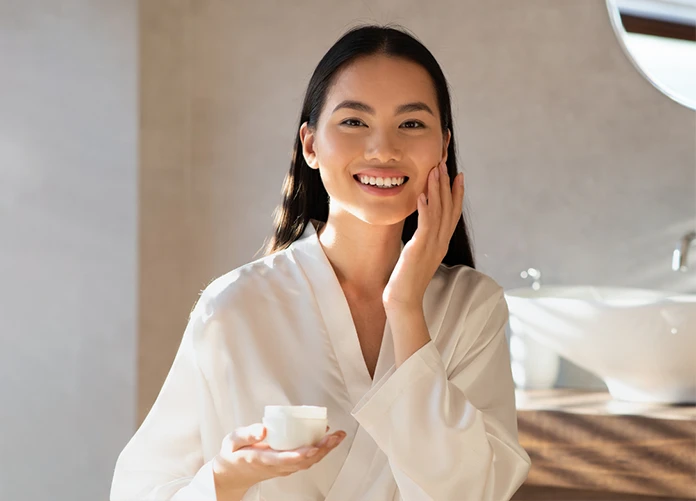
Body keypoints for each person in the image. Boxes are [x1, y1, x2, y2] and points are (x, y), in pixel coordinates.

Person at [110, 24, 531, 501]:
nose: (384, 149)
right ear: (310, 145)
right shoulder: (234, 308)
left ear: (443, 147)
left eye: (411, 124)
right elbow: (141, 492)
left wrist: (406, 305)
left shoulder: (472, 307)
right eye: (354, 122)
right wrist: (225, 479)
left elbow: (476, 492)